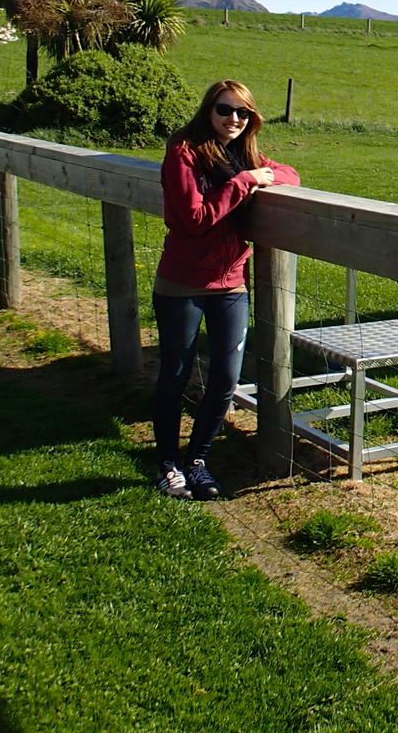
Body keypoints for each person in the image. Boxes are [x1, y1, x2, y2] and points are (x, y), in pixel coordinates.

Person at [152, 80, 300, 500]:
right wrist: (246, 182)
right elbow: (195, 218)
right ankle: (167, 463)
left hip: (231, 282)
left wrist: (260, 174)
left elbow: (291, 174)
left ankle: (198, 460)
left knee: (226, 378)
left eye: (243, 113)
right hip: (183, 282)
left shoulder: (243, 153)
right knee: (176, 375)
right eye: (224, 110)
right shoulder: (184, 150)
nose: (233, 119)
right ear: (208, 110)